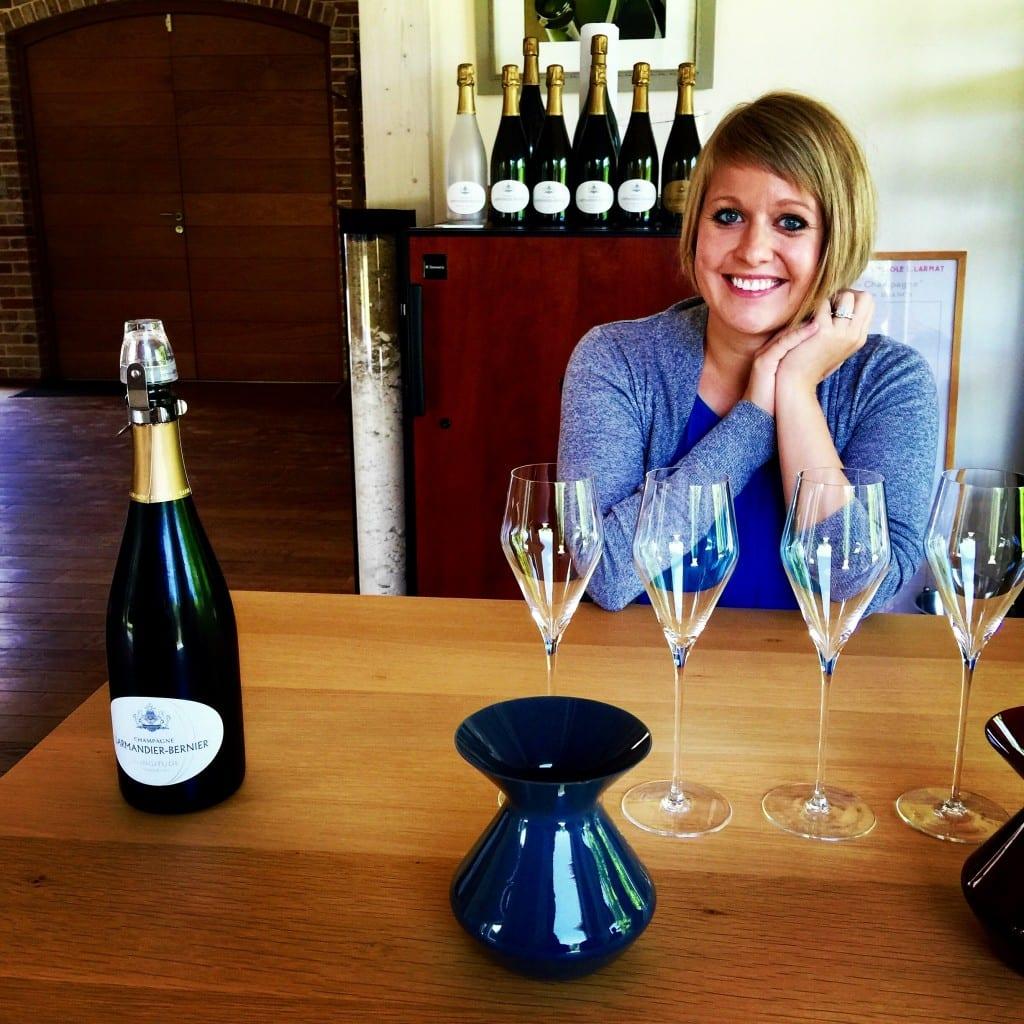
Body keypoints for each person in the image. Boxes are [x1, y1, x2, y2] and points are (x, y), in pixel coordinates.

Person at [558, 92, 939, 612]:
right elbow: (601, 574)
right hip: (645, 684)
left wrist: (796, 389)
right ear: (695, 229)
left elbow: (856, 588)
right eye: (729, 215)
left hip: (819, 689)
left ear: (838, 238)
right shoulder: (616, 359)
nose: (753, 250)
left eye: (791, 222)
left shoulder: (889, 380)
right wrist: (756, 415)